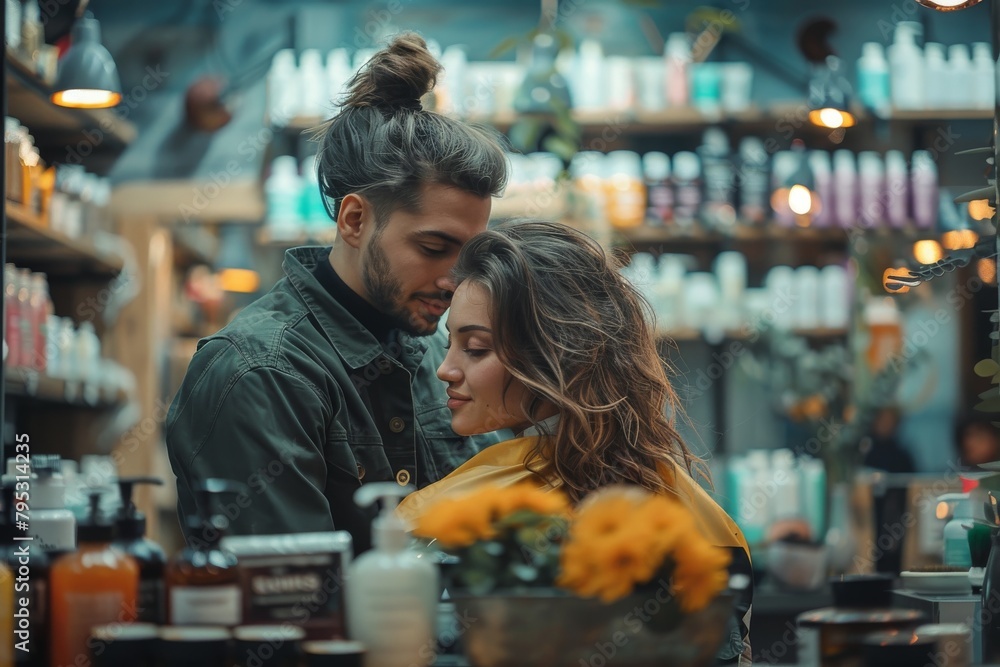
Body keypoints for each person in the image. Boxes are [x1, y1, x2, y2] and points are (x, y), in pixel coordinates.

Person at [166, 33, 509, 554]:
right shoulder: (260, 374)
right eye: (435, 247)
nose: (455, 278)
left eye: (469, 255)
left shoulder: (438, 355)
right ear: (354, 219)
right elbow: (297, 602)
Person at [397, 221, 753, 665]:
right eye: (449, 343)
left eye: (475, 348)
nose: (445, 369)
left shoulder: (474, 521)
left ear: (556, 354)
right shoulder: (691, 512)